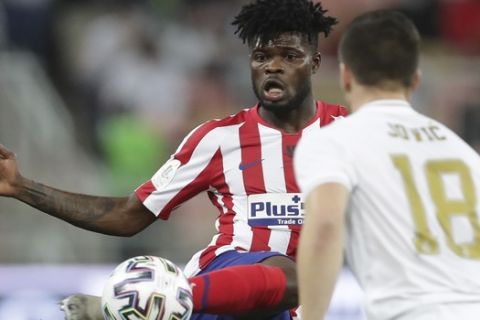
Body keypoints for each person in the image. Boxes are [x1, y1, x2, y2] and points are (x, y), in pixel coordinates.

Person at [0, 0, 346, 319]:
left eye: (289, 56)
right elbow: (128, 216)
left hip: (294, 309)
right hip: (220, 285)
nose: (273, 66)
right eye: (261, 56)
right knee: (294, 277)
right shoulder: (218, 138)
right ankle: (164, 297)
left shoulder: (350, 132)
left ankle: (147, 305)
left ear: (314, 63)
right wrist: (21, 186)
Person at [294, 9, 480, 320]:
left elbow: (325, 226)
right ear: (416, 80)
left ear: (345, 76)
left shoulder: (333, 141)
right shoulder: (465, 155)